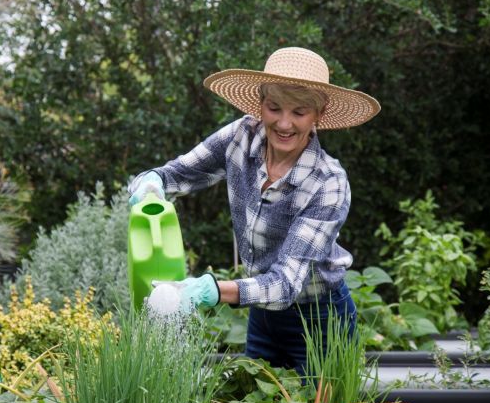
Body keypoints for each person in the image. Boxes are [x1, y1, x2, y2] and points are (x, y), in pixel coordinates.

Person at [128, 47, 380, 375]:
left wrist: (211, 290)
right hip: (262, 311)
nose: (284, 123)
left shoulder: (328, 183)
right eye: (274, 108)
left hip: (320, 319)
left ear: (319, 114)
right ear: (260, 104)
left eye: (299, 112)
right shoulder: (241, 136)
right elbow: (178, 173)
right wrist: (151, 183)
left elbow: (288, 283)